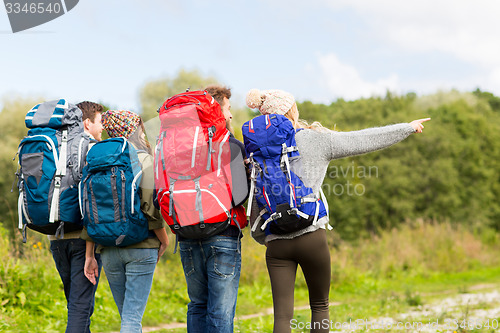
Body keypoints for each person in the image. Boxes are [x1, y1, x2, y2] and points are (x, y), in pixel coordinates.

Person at [245, 88, 430, 333]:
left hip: (276, 241)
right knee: (320, 306)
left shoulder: (253, 152)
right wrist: (406, 127)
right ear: (292, 110)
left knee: (282, 317)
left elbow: (254, 197)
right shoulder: (314, 139)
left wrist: (264, 237)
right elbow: (361, 139)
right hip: (311, 235)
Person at [82, 110, 169, 333]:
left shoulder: (96, 159)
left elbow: (90, 210)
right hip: (141, 246)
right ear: (135, 130)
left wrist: (90, 255)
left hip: (108, 248)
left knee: (127, 318)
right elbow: (151, 208)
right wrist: (164, 239)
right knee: (131, 320)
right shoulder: (143, 159)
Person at [177, 85, 248, 333]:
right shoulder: (232, 145)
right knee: (220, 311)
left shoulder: (177, 145)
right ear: (216, 109)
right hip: (223, 235)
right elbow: (240, 197)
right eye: (227, 108)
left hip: (185, 234)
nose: (229, 115)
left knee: (197, 305)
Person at [48, 101, 104, 333]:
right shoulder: (91, 148)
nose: (102, 128)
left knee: (78, 305)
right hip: (82, 238)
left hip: (54, 237)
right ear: (87, 123)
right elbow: (94, 201)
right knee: (80, 308)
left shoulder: (55, 145)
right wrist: (92, 248)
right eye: (100, 122)